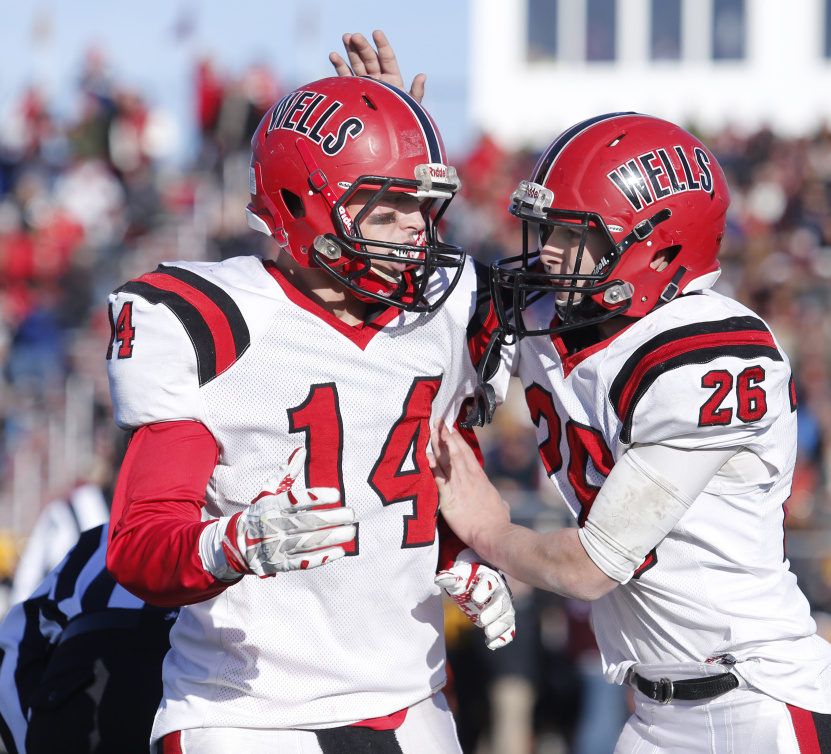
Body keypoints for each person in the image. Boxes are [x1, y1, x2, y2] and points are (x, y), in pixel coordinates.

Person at [429, 112, 831, 752]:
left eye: (572, 235)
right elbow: (412, 306)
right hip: (653, 714)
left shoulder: (709, 349)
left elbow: (590, 569)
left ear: (656, 249)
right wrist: (401, 160)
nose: (546, 250)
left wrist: (490, 533)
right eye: (546, 228)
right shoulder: (553, 315)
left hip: (763, 707)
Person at [104, 72, 514, 753]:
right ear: (304, 210)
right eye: (387, 208)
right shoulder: (218, 325)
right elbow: (139, 543)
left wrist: (458, 552)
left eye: (422, 204)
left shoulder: (445, 308)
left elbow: (404, 481)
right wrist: (229, 544)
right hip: (246, 710)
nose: (416, 231)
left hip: (408, 694)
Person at [0, 523, 176, 754]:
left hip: (79, 704)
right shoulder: (100, 537)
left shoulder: (103, 537)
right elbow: (17, 638)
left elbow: (15, 639)